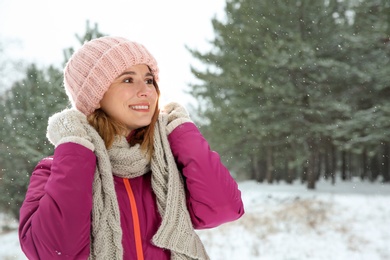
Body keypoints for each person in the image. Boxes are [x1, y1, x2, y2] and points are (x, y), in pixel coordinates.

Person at [18, 36, 244, 260]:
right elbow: (56, 251)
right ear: (95, 96)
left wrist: (182, 132)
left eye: (149, 80)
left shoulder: (170, 164)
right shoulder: (54, 170)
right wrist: (75, 148)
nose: (146, 90)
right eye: (128, 80)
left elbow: (223, 209)